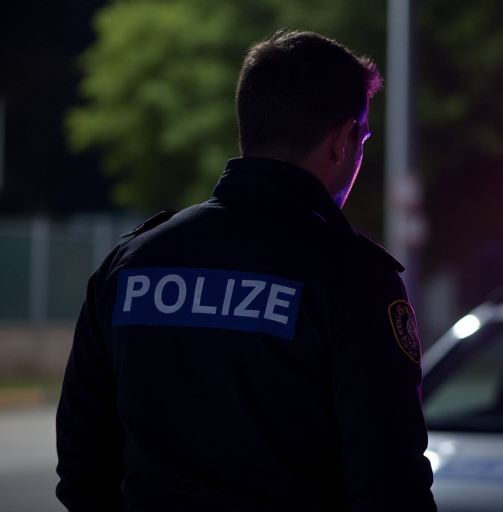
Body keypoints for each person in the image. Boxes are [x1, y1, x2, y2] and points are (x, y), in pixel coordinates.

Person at [56, 30, 436, 511]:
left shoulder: (131, 263)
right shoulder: (355, 278)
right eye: (360, 138)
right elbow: (389, 483)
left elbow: (82, 466)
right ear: (341, 142)